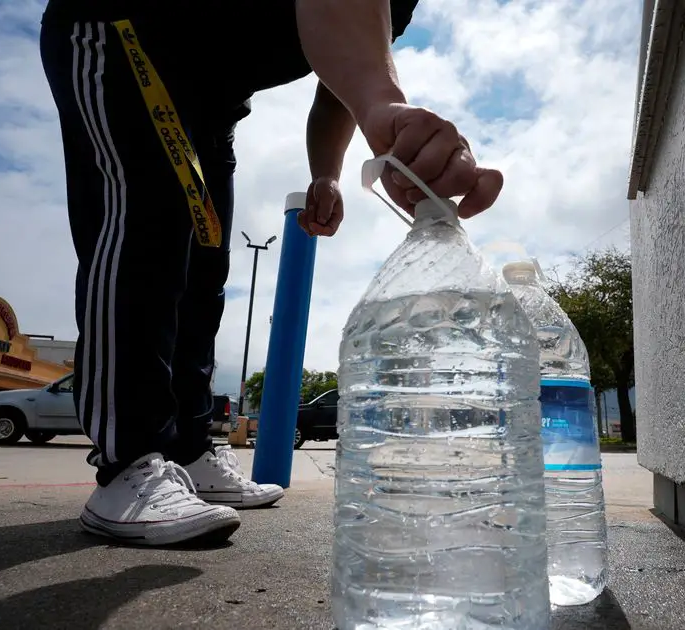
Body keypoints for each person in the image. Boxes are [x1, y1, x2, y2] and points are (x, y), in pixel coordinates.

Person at [38, 0, 505, 546]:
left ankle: (188, 449)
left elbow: (339, 86)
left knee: (204, 268)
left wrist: (327, 174)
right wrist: (385, 102)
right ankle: (128, 461)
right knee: (146, 238)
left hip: (210, 103)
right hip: (123, 34)